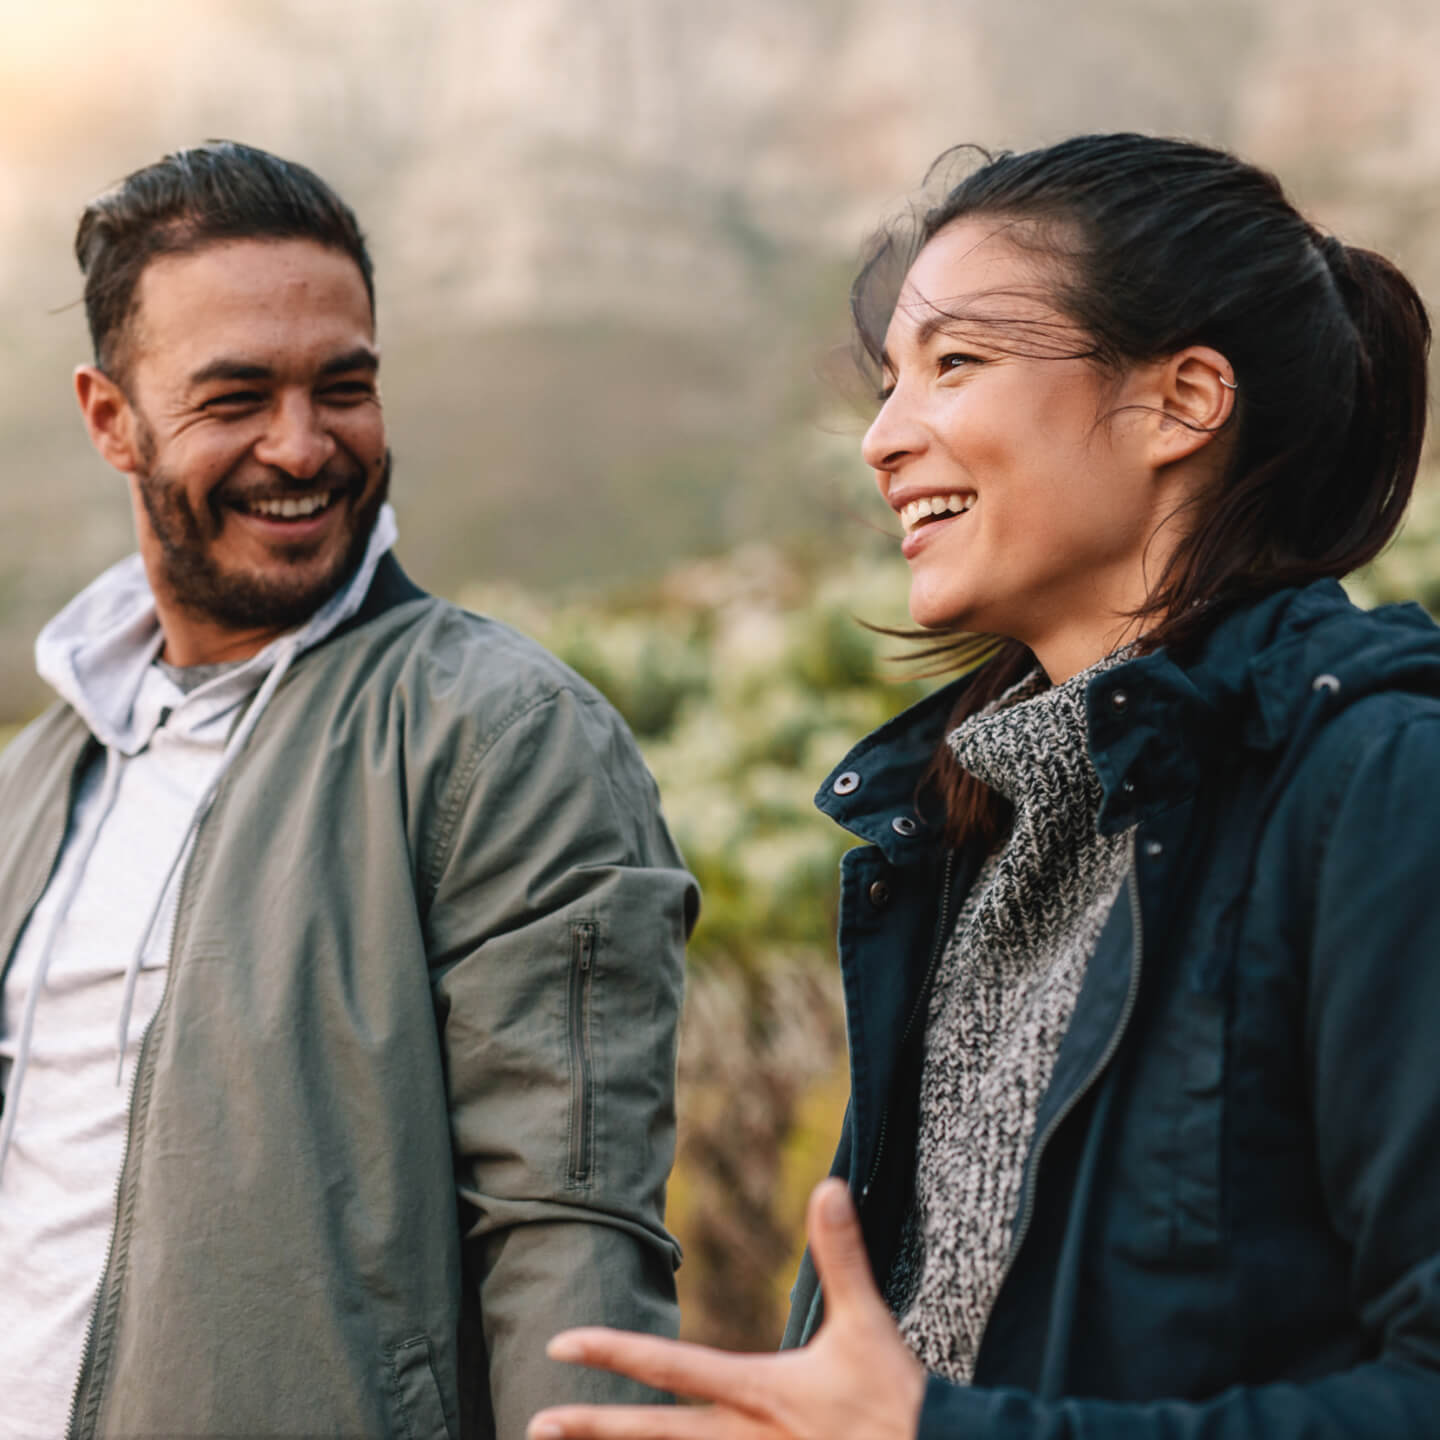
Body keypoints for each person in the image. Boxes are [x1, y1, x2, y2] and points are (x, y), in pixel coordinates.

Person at [526, 134, 1440, 1438]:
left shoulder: (1381, 786)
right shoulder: (967, 831)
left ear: (1182, 400)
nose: (886, 442)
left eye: (956, 364)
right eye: (890, 383)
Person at [0, 140, 698, 1440]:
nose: (302, 445)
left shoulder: (501, 737)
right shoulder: (40, 774)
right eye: (236, 396)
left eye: (345, 386)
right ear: (112, 420)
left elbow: (574, 1249)